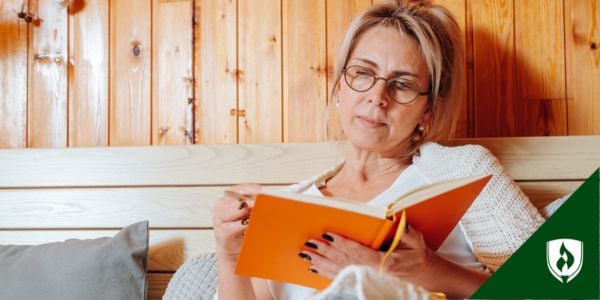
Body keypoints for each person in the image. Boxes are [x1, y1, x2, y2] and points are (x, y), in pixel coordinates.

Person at [213, 0, 545, 299]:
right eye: (363, 73)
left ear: (428, 110)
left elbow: (556, 286)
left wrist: (426, 269)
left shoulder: (465, 172)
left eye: (402, 84)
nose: (377, 96)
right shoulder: (289, 205)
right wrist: (229, 256)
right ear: (340, 85)